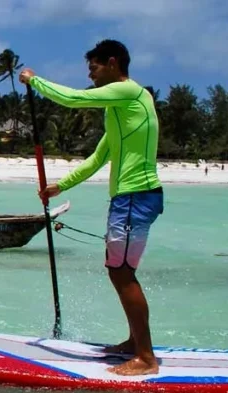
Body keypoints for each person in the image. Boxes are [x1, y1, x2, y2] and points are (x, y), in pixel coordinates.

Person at [21, 39, 164, 376]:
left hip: (136, 196)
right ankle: (134, 343)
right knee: (121, 271)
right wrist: (60, 186)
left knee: (122, 273)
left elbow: (74, 99)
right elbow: (99, 157)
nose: (91, 74)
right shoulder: (121, 111)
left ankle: (146, 358)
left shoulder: (129, 93)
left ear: (112, 63)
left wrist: (35, 81)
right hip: (130, 199)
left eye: (94, 67)